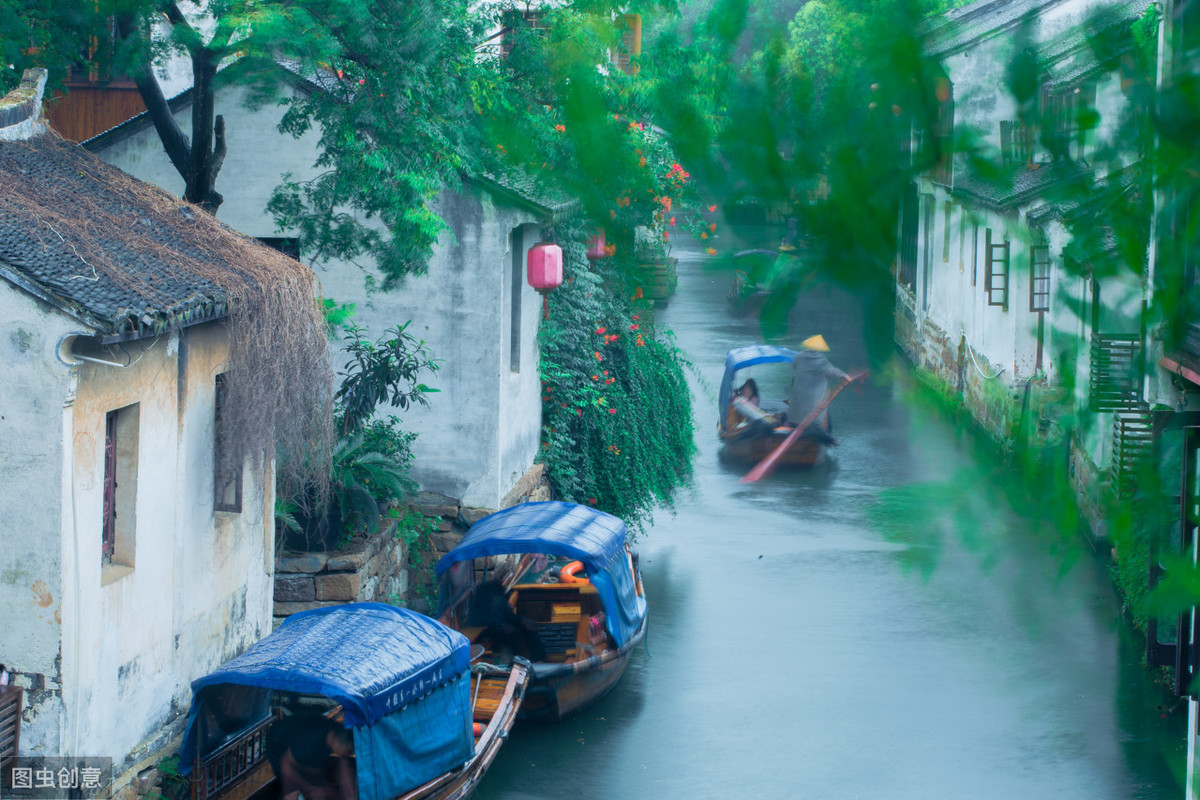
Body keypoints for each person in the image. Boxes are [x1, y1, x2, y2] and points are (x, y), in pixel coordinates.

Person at [266, 713, 356, 800]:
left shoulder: (336, 734)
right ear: (336, 742)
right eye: (348, 751)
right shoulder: (310, 743)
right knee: (292, 792)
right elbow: (286, 766)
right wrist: (309, 788)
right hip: (278, 743)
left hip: (301, 749)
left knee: (318, 789)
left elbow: (344, 765)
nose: (348, 754)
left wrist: (349, 794)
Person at [786, 335, 849, 438]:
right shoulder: (820, 360)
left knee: (796, 417)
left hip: (797, 409)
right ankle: (827, 435)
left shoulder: (798, 357)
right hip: (813, 410)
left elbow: (794, 366)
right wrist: (844, 375)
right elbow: (831, 371)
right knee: (824, 417)